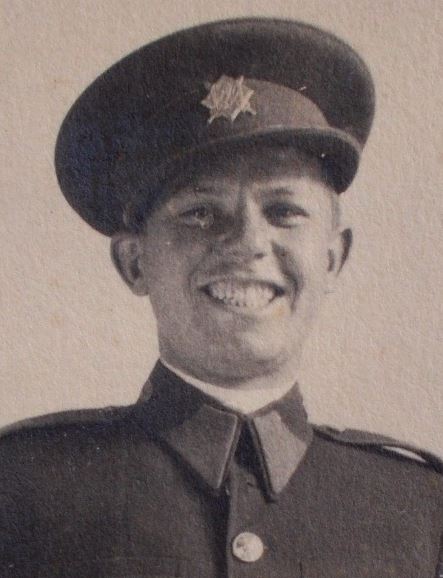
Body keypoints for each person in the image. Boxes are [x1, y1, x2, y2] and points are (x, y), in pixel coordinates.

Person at [0, 18, 441, 578]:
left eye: (284, 211)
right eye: (201, 213)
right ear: (134, 263)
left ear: (333, 258)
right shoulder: (20, 489)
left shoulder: (420, 507)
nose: (249, 243)